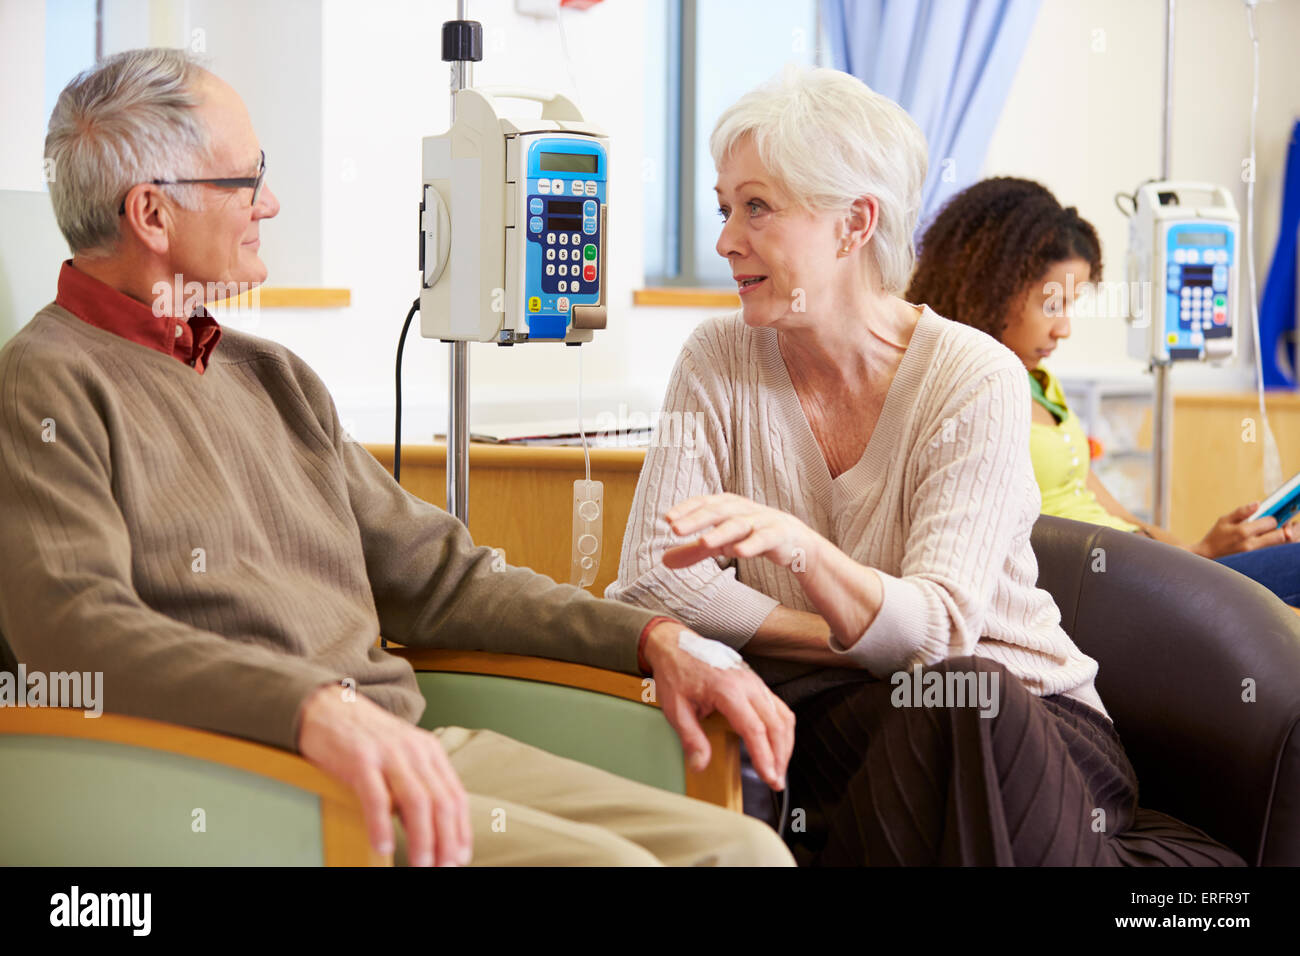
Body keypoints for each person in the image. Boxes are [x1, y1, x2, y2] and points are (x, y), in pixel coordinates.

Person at [0, 48, 797, 868]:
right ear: (152, 215)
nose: (269, 203)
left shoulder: (269, 375)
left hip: (402, 746)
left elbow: (444, 578)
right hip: (249, 774)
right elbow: (74, 632)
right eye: (245, 182)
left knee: (745, 853)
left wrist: (653, 638)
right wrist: (308, 707)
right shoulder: (48, 382)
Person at [608, 65, 1243, 865]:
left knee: (959, 698)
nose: (726, 237)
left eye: (757, 205)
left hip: (1027, 724)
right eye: (725, 206)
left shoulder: (972, 375)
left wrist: (801, 551)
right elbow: (649, 583)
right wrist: (849, 637)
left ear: (854, 223)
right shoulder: (716, 357)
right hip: (841, 713)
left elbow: (939, 635)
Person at [907, 176, 1300, 605]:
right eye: (1051, 305)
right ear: (988, 287)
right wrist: (1195, 562)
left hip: (1139, 568)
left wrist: (1202, 551)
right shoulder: (966, 395)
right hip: (1096, 589)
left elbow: (1117, 513)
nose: (1064, 329)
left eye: (1070, 306)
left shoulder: (1041, 384)